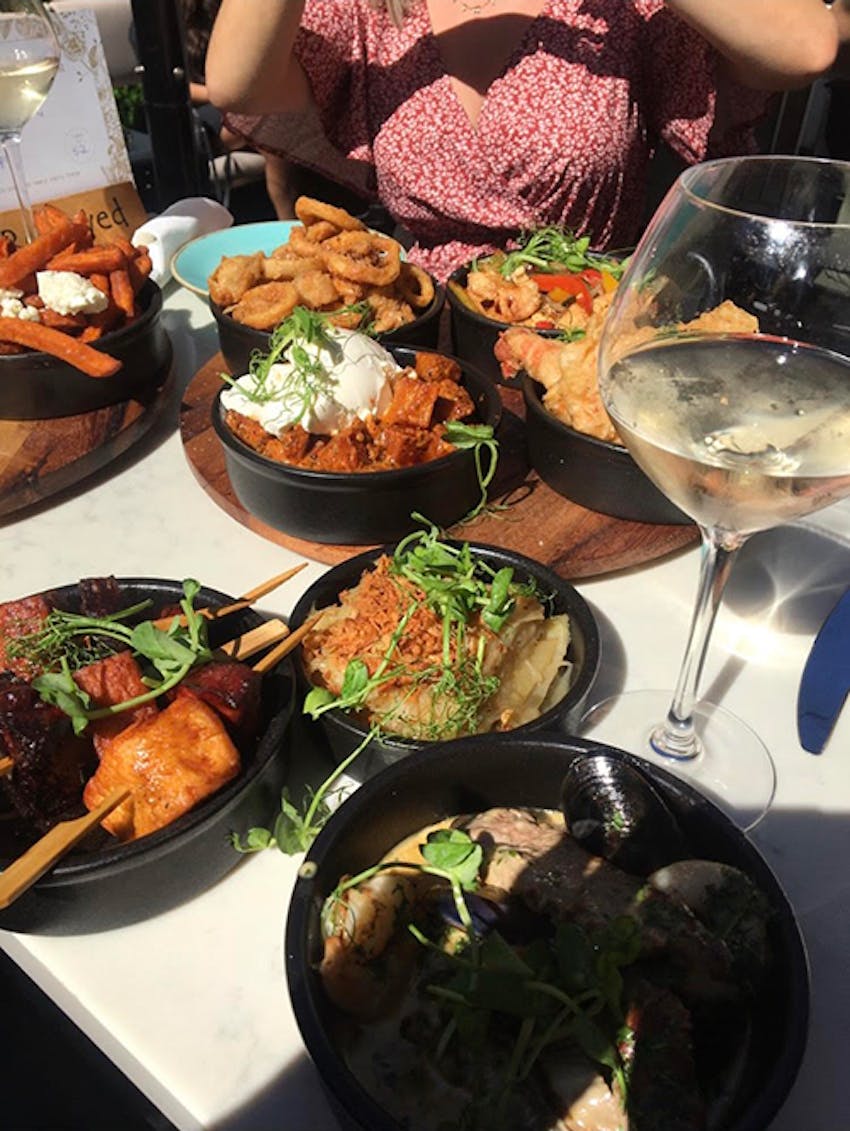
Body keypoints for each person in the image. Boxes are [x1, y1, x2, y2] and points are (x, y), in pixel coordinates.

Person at [205, 0, 840, 280]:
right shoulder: (373, 7)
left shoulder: (615, 7)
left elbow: (805, 46)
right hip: (425, 341)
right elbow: (236, 82)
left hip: (586, 339)